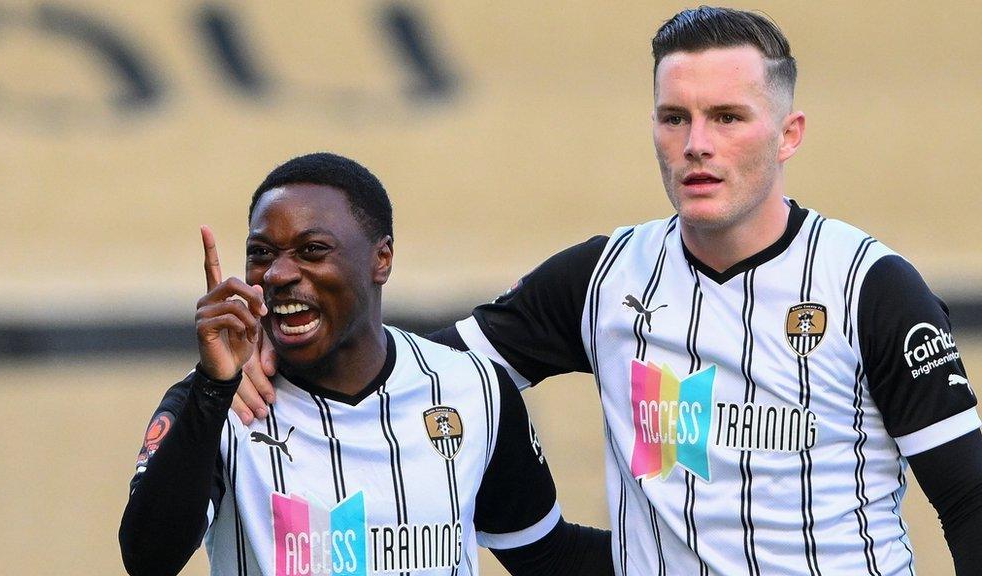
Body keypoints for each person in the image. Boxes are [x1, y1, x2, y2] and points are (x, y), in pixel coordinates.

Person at [233, 8, 982, 575]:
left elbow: (968, 498)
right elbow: (425, 374)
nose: (696, 143)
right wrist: (283, 349)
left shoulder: (870, 287)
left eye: (727, 117)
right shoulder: (604, 278)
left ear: (788, 134)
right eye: (674, 117)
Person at [118, 153, 613, 576]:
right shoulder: (213, 402)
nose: (279, 274)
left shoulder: (474, 389)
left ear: (382, 259)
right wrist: (211, 387)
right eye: (261, 253)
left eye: (312, 250)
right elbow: (149, 559)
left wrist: (688, 553)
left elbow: (547, 556)